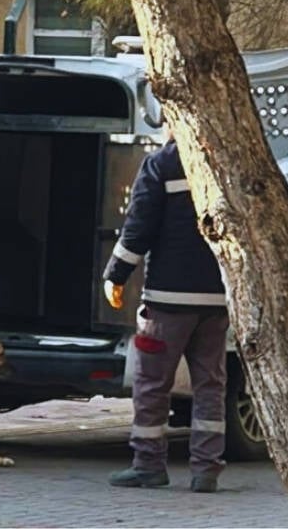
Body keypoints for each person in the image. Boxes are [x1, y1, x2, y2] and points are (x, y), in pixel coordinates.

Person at [101, 131, 229, 493]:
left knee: (152, 384)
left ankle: (148, 465)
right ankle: (206, 471)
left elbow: (139, 226)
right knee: (211, 385)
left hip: (166, 302)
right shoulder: (227, 162)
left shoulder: (163, 163)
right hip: (216, 301)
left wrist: (116, 274)